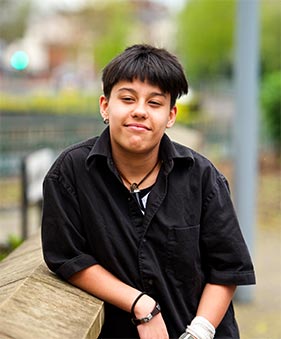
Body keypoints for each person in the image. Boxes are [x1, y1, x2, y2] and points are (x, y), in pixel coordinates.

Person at [41, 44, 255, 339]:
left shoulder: (203, 178)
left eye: (154, 103)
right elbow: (67, 256)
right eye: (128, 98)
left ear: (171, 115)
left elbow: (227, 268)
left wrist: (199, 331)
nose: (140, 111)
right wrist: (140, 304)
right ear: (105, 106)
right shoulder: (71, 173)